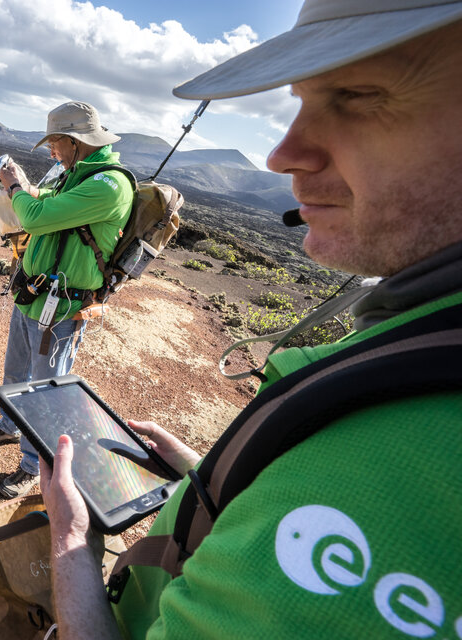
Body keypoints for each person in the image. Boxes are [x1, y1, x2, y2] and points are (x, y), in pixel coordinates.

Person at [40, 0, 462, 637]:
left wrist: (71, 545)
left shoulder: (412, 451)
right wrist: (217, 472)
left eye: (359, 94)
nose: (282, 152)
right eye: (301, 101)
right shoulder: (417, 342)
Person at [0, 101, 134, 498]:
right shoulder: (73, 175)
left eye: (55, 142)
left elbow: (35, 217)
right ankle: (9, 426)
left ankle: (33, 464)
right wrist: (27, 188)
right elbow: (42, 199)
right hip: (31, 295)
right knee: (15, 372)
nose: (51, 151)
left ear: (76, 141)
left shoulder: (108, 185)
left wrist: (14, 187)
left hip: (62, 309)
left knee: (45, 391)